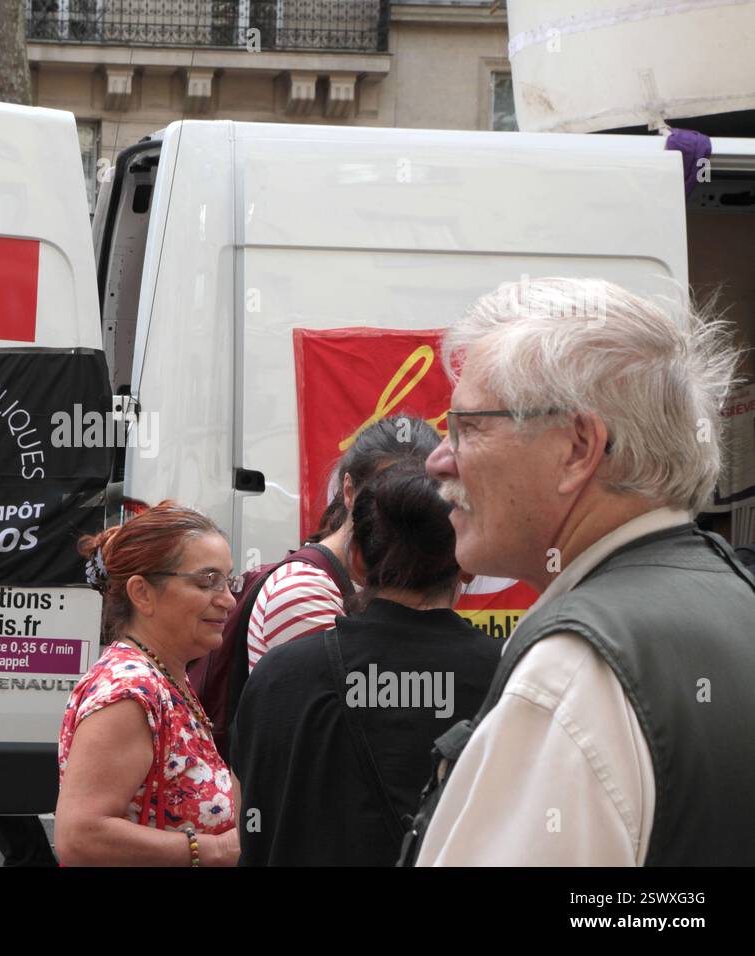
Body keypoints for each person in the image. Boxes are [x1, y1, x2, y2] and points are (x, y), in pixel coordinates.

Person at [406, 277, 755, 866]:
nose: (439, 458)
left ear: (576, 447)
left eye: (468, 427)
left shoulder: (574, 670)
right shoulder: (733, 594)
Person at [232, 461, 499, 865]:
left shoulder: (278, 675)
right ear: (465, 563)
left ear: (356, 559)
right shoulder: (507, 676)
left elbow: (248, 822)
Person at [56, 501, 241, 866]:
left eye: (228, 580)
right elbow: (79, 836)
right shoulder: (130, 692)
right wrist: (217, 851)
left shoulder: (163, 676)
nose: (229, 600)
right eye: (207, 581)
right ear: (142, 593)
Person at [246, 416, 442, 671]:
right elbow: (379, 702)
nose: (402, 509)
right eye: (385, 492)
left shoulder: (382, 580)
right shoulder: (302, 591)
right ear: (348, 491)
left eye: (420, 493)